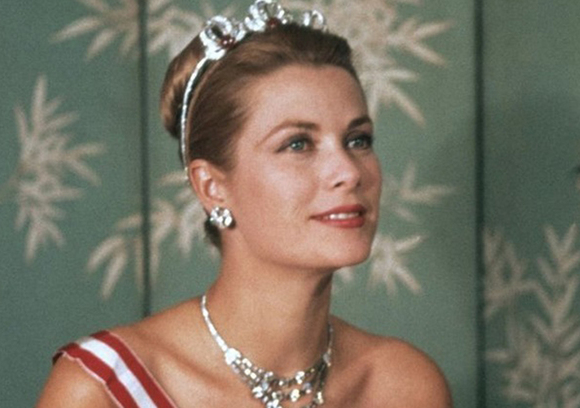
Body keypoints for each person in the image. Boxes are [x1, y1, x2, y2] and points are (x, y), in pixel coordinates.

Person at [36, 1, 452, 407]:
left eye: (358, 140)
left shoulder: (404, 387)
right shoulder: (105, 389)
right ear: (212, 187)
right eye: (297, 144)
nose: (349, 171)